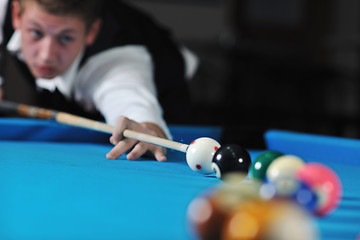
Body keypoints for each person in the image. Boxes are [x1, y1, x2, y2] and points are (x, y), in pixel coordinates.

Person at [0, 0, 197, 161]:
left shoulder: (116, 59)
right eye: (36, 32)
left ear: (91, 31)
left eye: (66, 38)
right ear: (16, 13)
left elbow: (129, 98)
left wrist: (148, 127)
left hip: (166, 90)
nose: (46, 56)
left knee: (141, 145)